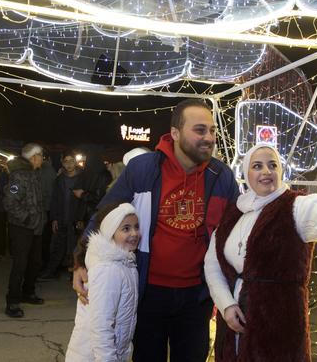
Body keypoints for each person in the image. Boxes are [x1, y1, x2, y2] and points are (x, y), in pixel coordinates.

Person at [73, 98, 240, 361]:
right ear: (175, 133)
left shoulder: (221, 176)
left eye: (212, 131)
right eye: (199, 130)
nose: (209, 137)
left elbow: (237, 231)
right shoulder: (144, 169)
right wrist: (81, 261)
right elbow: (104, 215)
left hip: (197, 296)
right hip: (148, 292)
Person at [204, 144, 317, 361]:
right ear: (247, 173)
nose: (266, 171)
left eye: (272, 165)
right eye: (257, 166)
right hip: (232, 333)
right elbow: (213, 265)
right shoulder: (234, 212)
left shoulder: (295, 207)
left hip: (279, 331)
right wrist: (227, 305)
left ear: (281, 171)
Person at [65, 202, 140, 361]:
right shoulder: (108, 270)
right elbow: (101, 327)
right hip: (95, 356)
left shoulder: (125, 263)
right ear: (110, 232)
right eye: (126, 228)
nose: (134, 233)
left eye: (136, 227)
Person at [3, 143, 47, 318]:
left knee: (35, 262)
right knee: (20, 264)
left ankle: (28, 293)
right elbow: (10, 202)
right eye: (41, 156)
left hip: (35, 227)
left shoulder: (34, 174)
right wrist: (27, 218)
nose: (42, 159)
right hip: (21, 228)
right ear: (34, 157)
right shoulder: (19, 176)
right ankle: (12, 302)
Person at [41, 150, 83, 279]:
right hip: (62, 217)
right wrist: (54, 218)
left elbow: (86, 200)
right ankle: (51, 270)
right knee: (58, 246)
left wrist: (82, 218)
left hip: (76, 218)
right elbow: (54, 199)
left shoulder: (84, 178)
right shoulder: (59, 180)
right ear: (62, 163)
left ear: (76, 162)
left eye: (71, 161)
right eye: (66, 161)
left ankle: (76, 274)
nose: (69, 164)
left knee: (77, 247)